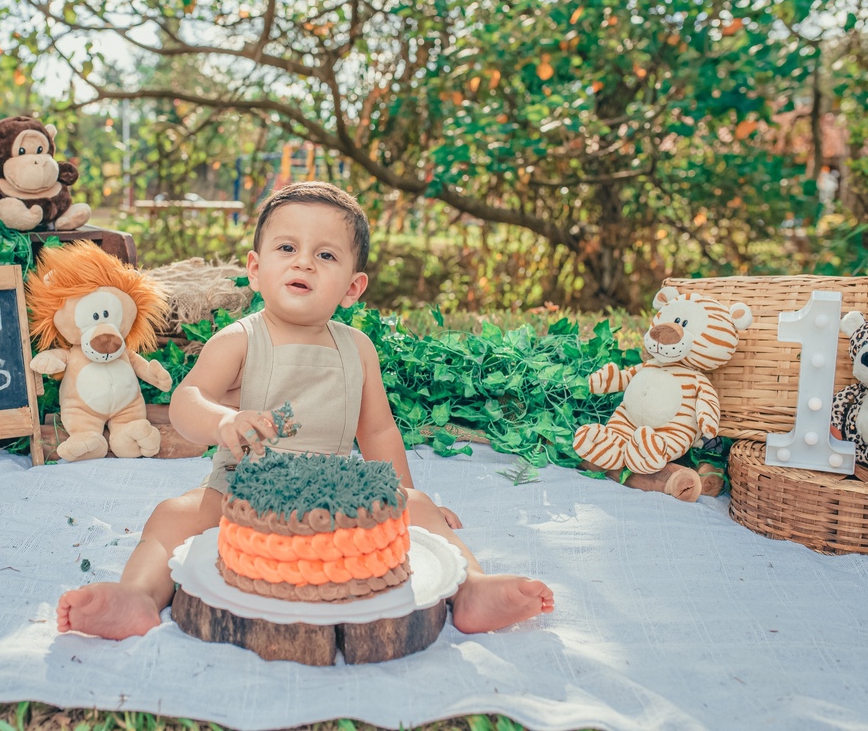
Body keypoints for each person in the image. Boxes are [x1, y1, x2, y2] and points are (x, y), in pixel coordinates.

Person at [57, 182, 554, 639]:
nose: (304, 264)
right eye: (287, 248)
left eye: (326, 255)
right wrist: (224, 421)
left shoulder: (357, 348)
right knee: (172, 517)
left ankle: (471, 588)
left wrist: (401, 494)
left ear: (353, 287)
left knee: (419, 508)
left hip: (333, 492)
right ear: (255, 269)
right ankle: (139, 595)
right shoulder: (240, 339)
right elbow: (187, 402)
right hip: (241, 489)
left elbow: (378, 431)